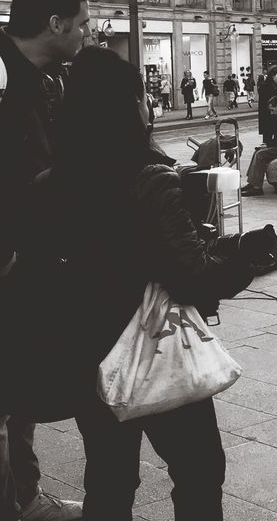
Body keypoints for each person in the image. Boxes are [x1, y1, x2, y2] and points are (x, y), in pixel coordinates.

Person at [29, 45, 254, 520]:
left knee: (109, 478)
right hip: (152, 346)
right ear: (131, 106)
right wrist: (244, 262)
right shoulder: (149, 178)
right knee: (198, 469)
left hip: (88, 355)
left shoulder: (50, 184)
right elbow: (192, 277)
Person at [0, 0, 90, 521]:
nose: (89, 30)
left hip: (15, 266)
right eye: (83, 22)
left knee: (9, 389)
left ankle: (23, 498)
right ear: (56, 23)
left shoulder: (43, 79)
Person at [256, 67, 277, 145]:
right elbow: (267, 102)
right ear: (272, 76)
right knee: (267, 140)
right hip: (267, 117)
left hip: (276, 117)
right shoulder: (264, 86)